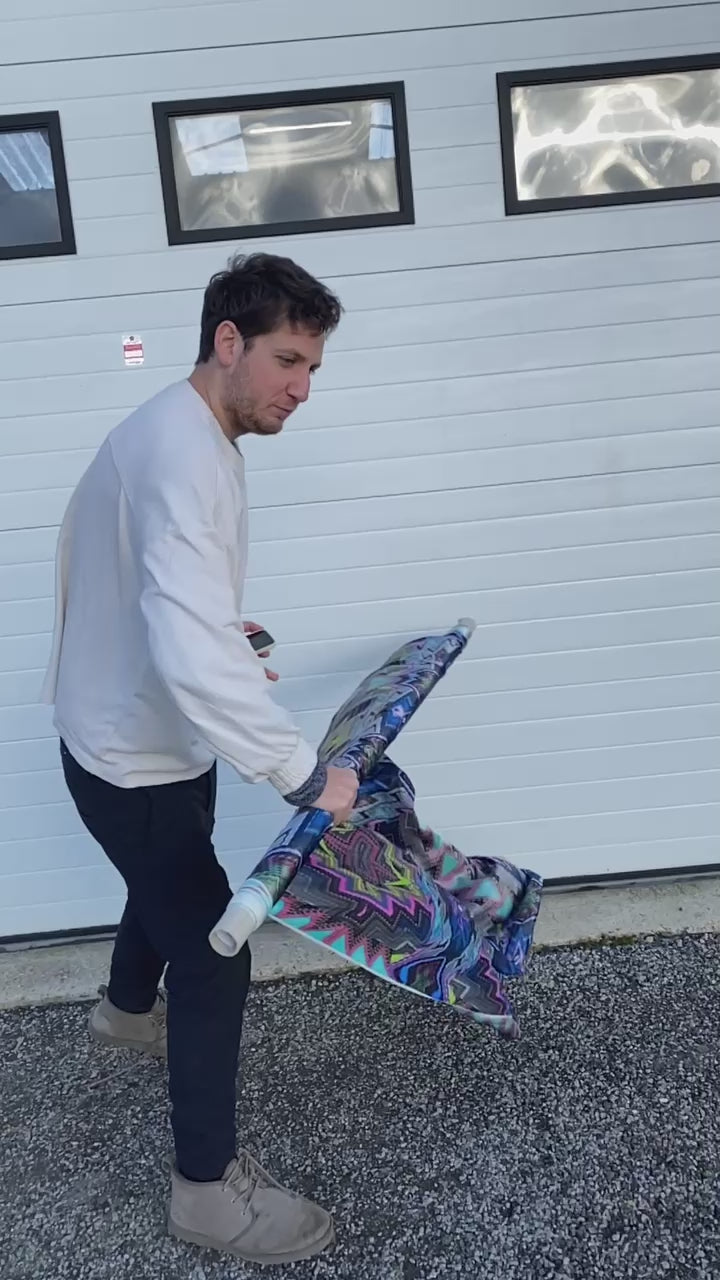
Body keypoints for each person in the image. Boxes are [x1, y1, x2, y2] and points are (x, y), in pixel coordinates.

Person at [40, 252, 359, 1266]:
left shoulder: (178, 429)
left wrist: (225, 635)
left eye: (312, 368)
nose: (302, 388)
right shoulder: (182, 454)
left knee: (173, 880)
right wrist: (303, 774)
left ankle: (126, 1012)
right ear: (228, 341)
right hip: (132, 758)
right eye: (288, 361)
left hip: (140, 734)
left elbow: (157, 594)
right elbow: (182, 637)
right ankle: (207, 1196)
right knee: (218, 951)